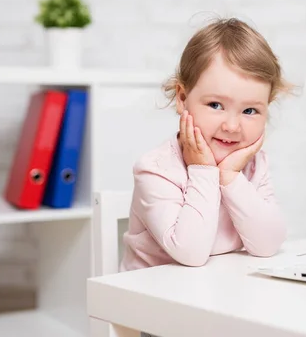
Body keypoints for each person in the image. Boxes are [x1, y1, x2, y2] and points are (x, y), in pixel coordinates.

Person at [120, 17, 295, 275]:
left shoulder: (253, 165)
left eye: (250, 110)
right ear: (182, 98)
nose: (232, 126)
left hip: (215, 292)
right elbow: (190, 253)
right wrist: (204, 170)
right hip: (149, 303)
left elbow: (268, 244)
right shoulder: (156, 169)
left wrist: (230, 177)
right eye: (215, 105)